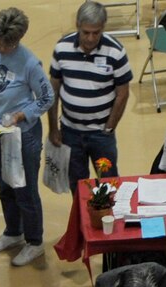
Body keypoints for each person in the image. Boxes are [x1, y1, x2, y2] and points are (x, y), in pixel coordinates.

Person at [0, 8, 54, 266]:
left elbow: (47, 98)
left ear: (19, 38)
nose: (3, 46)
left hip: (22, 135)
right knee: (4, 185)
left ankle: (35, 241)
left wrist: (21, 115)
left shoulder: (30, 63)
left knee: (25, 190)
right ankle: (13, 231)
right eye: (0, 40)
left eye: (8, 42)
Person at [48, 2, 132, 183]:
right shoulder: (62, 48)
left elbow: (123, 93)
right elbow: (53, 89)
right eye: (86, 32)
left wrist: (109, 128)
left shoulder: (116, 52)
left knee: (109, 184)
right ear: (78, 25)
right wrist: (53, 128)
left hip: (101, 136)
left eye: (96, 32)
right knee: (77, 186)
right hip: (70, 133)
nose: (91, 38)